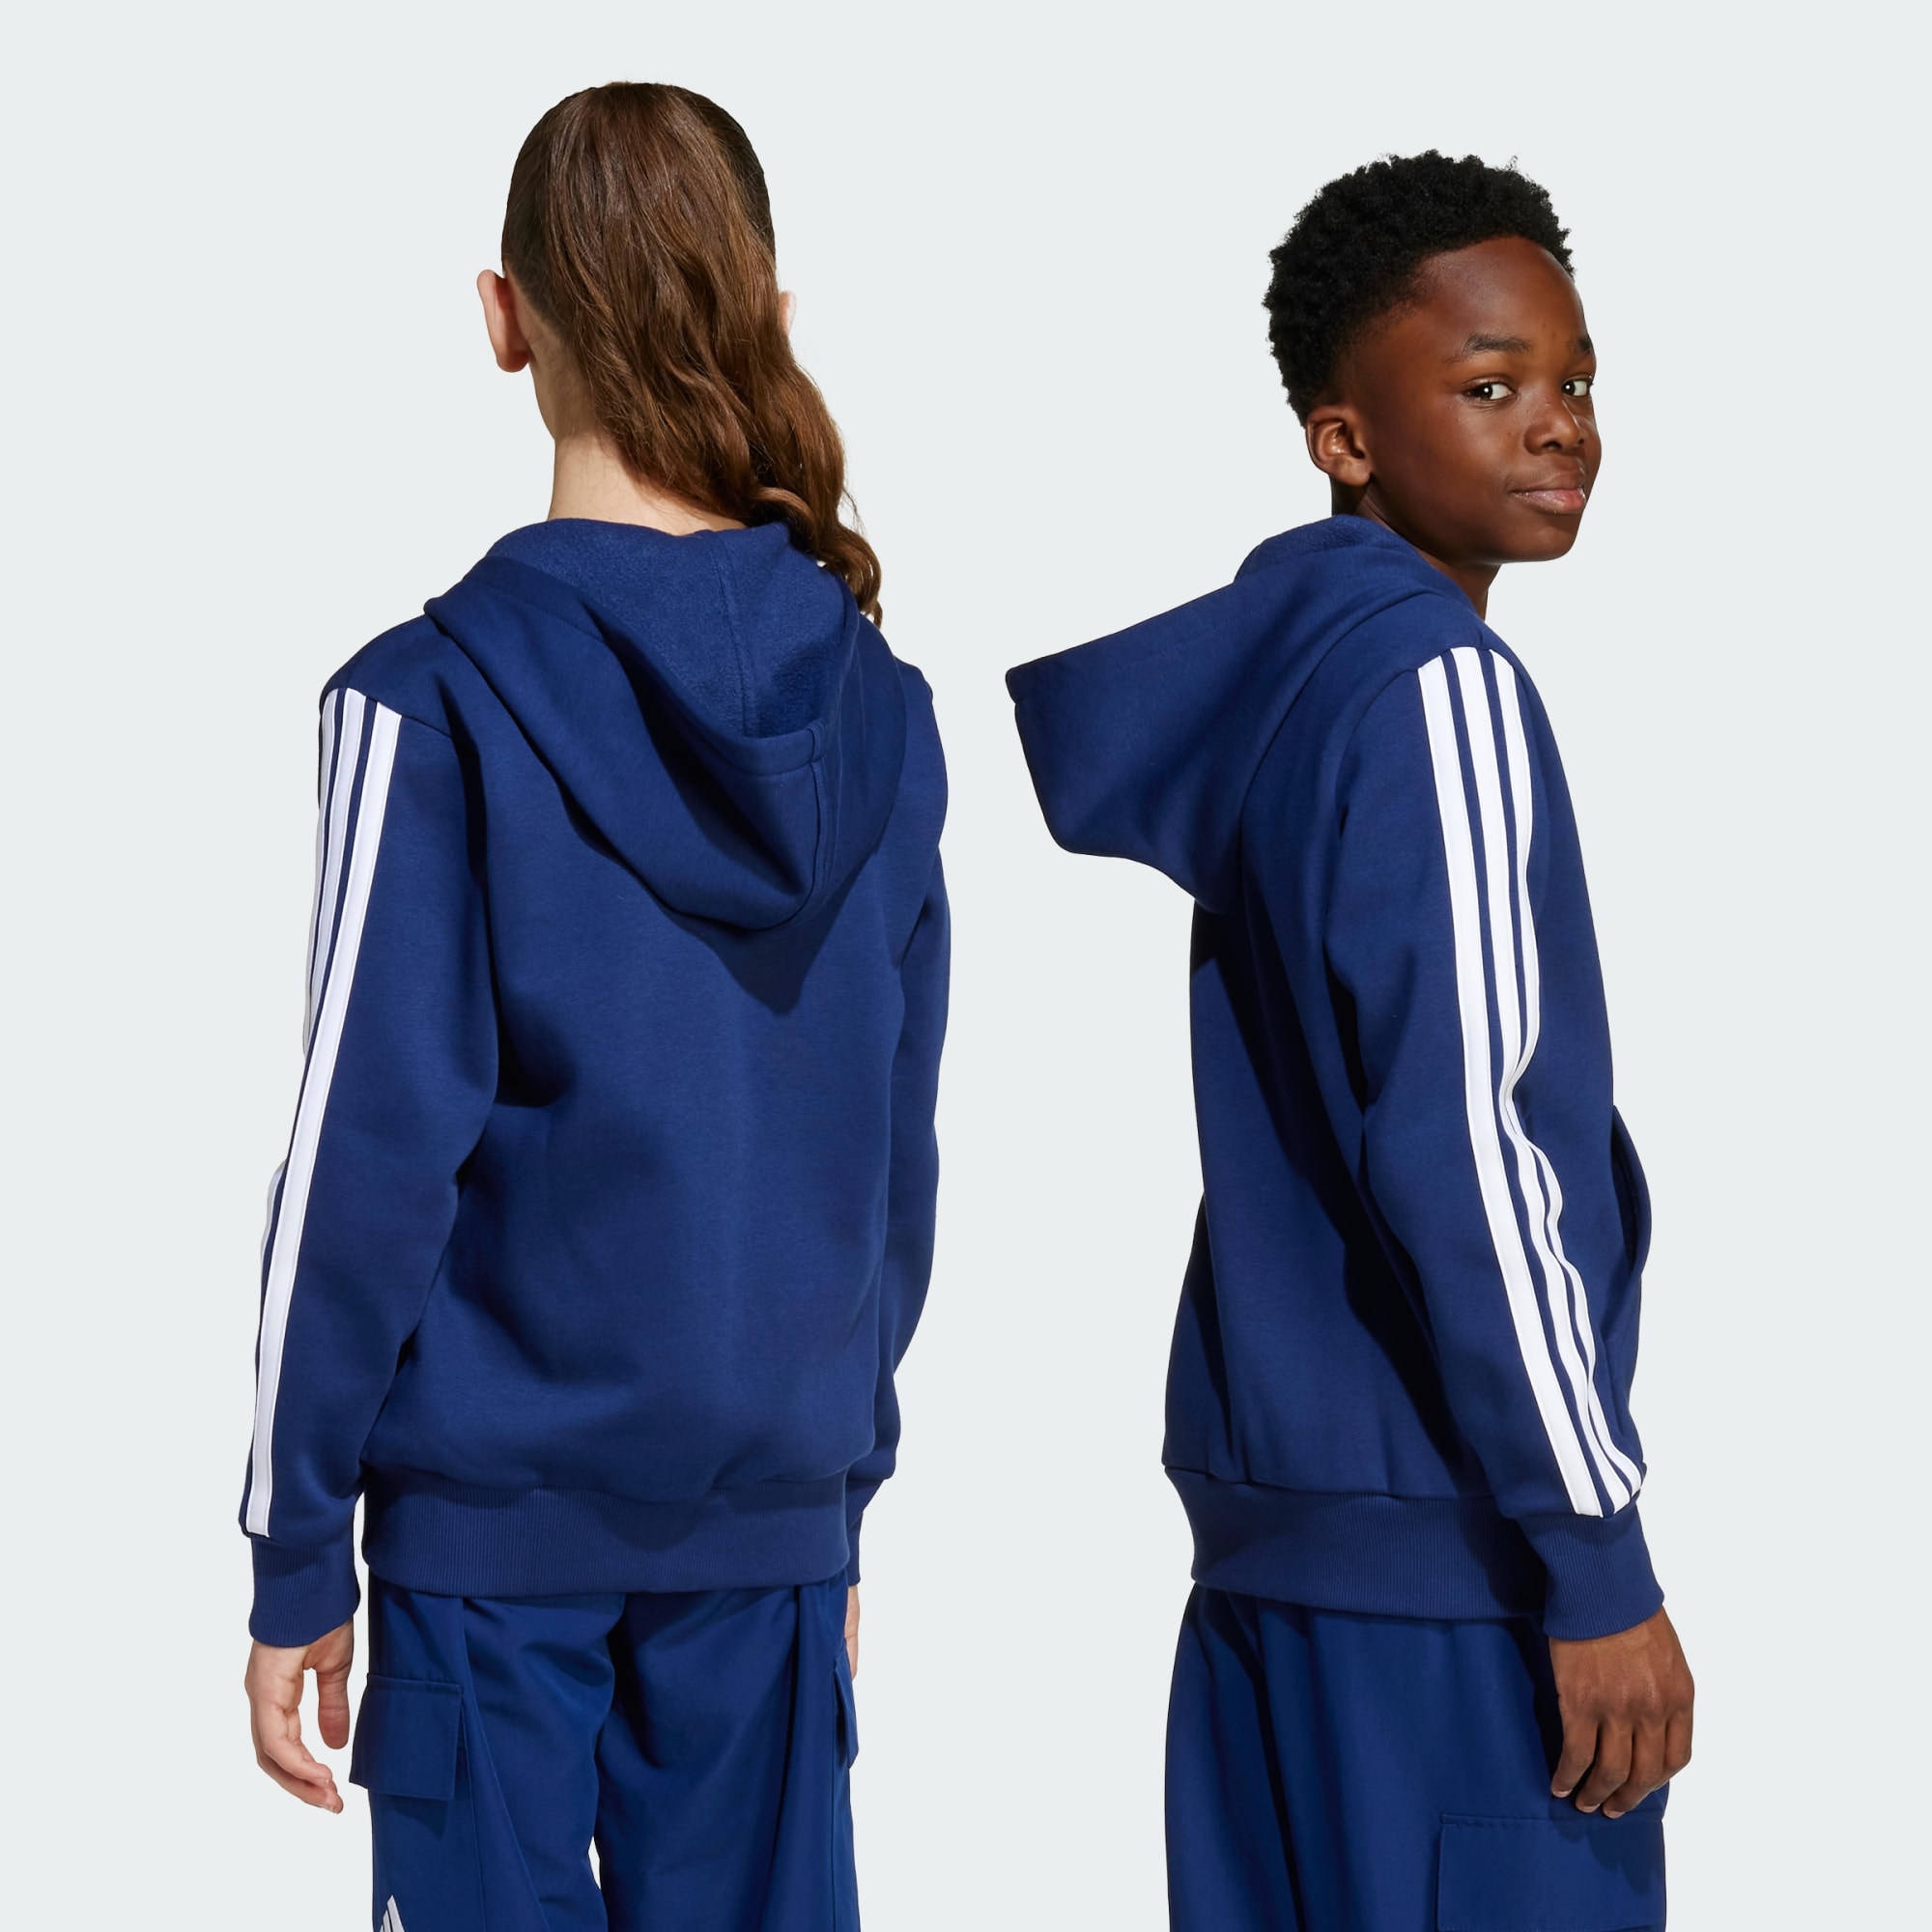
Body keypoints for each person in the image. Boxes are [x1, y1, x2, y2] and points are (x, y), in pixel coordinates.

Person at [241, 82, 948, 1932]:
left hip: (492, 1551)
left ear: (506, 318)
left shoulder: (425, 705)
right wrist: (840, 1491)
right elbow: (892, 1154)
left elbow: (363, 1160)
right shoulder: (883, 714)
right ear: (769, 313)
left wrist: (296, 1547)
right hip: (774, 1533)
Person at [1008, 152, 1692, 1931]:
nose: (1558, 422)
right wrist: (1595, 1555)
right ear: (1345, 439)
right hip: (1457, 1598)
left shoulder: (1293, 690)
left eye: (1575, 379)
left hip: (1270, 1590)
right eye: (1490, 385)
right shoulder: (1437, 690)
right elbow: (1473, 1143)